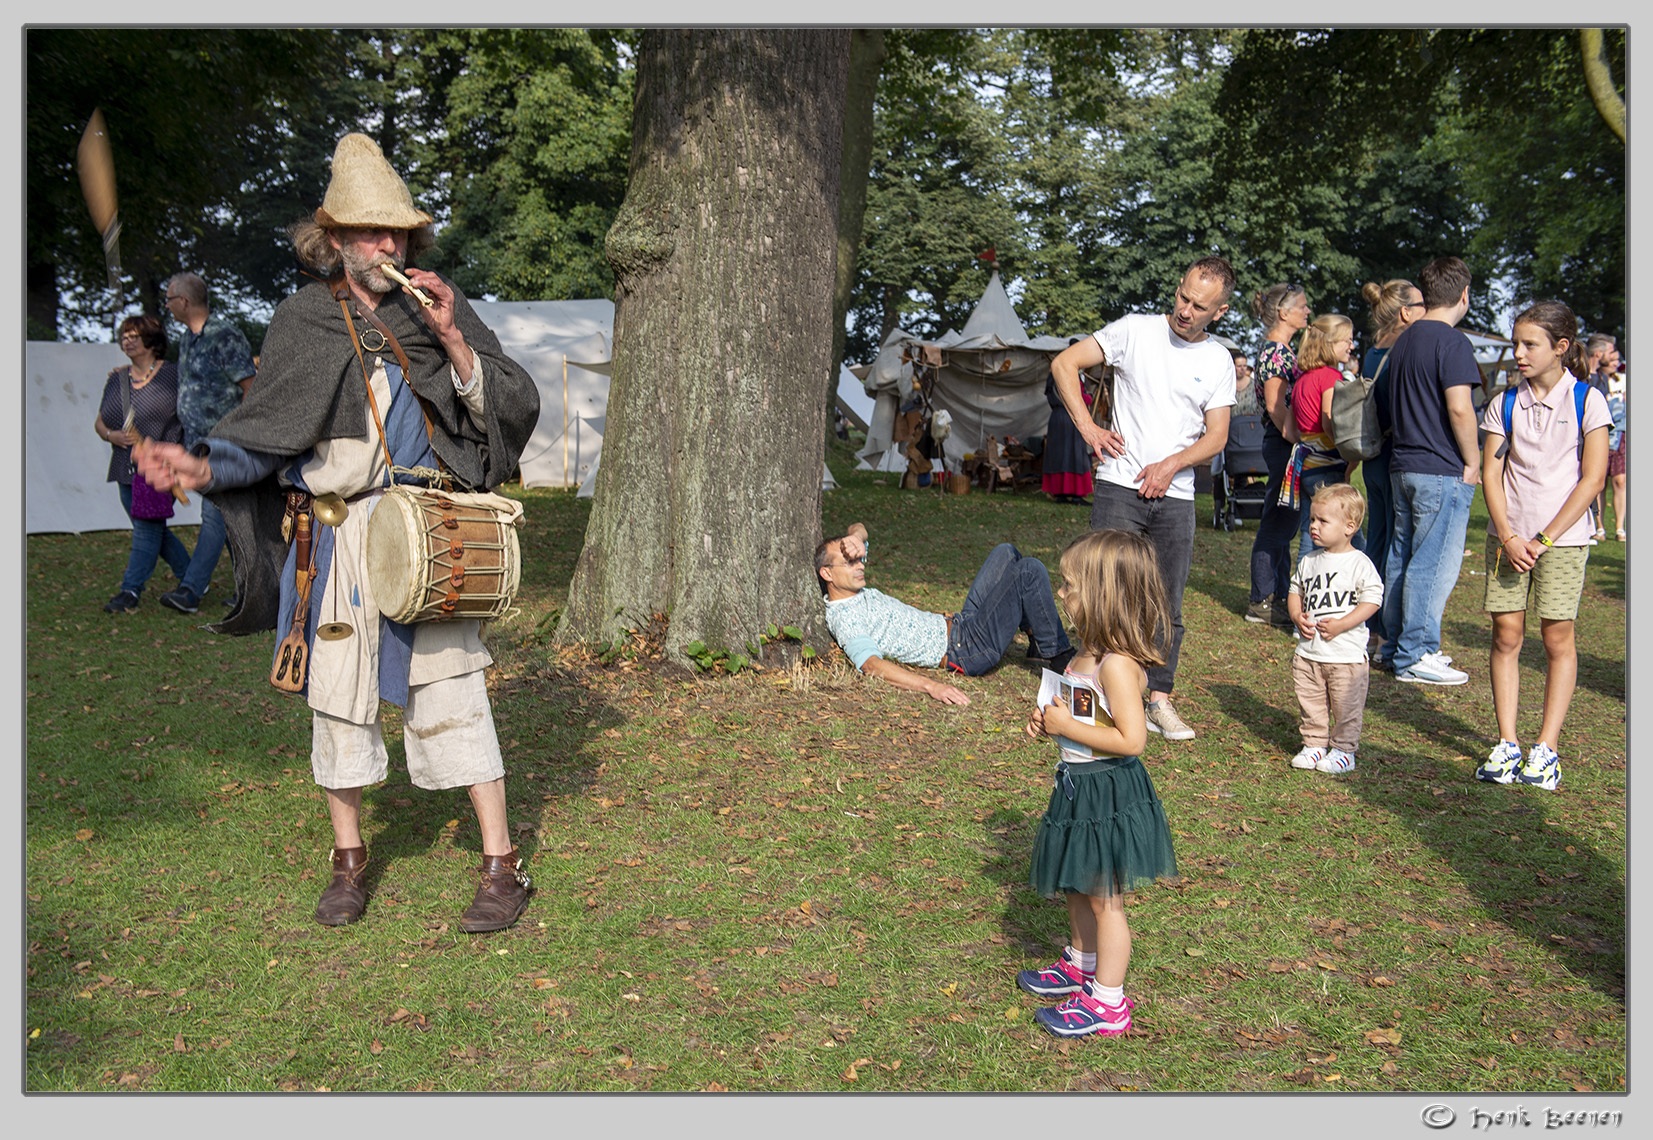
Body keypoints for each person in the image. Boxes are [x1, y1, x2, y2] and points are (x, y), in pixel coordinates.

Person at [134, 133, 541, 932]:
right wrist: (200, 468)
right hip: (337, 538)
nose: (385, 245)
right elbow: (266, 430)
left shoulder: (435, 304)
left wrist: (455, 337)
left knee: (453, 689)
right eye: (367, 231)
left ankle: (501, 865)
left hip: (427, 530)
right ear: (335, 239)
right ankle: (349, 860)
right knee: (337, 701)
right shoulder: (301, 318)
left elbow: (509, 406)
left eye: (396, 232)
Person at [1049, 256, 1238, 741]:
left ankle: (1158, 699)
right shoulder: (1134, 330)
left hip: (1175, 496)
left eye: (1199, 306)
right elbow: (1064, 364)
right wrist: (1089, 428)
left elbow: (1217, 436)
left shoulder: (1217, 359)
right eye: (1183, 297)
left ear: (1218, 312)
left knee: (1165, 601)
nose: (1185, 311)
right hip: (1118, 486)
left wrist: (1172, 464)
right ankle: (1095, 690)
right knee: (1103, 589)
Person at [1017, 529, 1178, 1038]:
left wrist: (1068, 727)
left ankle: (1109, 1002)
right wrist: (1049, 722)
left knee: (1106, 898)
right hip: (1076, 788)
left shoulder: (1119, 665)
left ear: (1104, 592)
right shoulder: (1081, 656)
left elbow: (1132, 740)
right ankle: (1082, 963)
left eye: (1070, 584)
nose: (1062, 593)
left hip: (1109, 794)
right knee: (1076, 881)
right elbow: (1085, 719)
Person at [1474, 301, 1610, 790]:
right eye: (1516, 343)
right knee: (1506, 636)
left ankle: (1546, 748)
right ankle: (1507, 742)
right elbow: (1491, 472)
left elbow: (1593, 480)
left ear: (1561, 347)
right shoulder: (1505, 402)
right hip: (1507, 540)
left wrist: (1543, 539)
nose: (1519, 353)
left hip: (1563, 543)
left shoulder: (1587, 401)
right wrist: (1509, 535)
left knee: (1557, 639)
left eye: (1529, 344)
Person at [817, 522, 1073, 706]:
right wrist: (932, 686)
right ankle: (1059, 656)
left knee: (1006, 553)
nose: (860, 565)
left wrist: (855, 537)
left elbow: (860, 527)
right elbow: (871, 665)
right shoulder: (844, 617)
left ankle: (1036, 641)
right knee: (1028, 570)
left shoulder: (851, 587)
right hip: (967, 650)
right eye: (850, 562)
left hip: (962, 624)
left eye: (859, 558)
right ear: (827, 574)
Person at [1380, 256, 1482, 686]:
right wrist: (1473, 459)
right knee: (1433, 562)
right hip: (1440, 467)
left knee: (1400, 559)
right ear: (1464, 295)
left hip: (1402, 464)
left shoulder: (1402, 340)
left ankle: (1393, 646)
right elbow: (1459, 406)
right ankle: (1417, 652)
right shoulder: (1453, 342)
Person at [159, 272, 256, 614]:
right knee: (229, 524)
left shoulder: (224, 337)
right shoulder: (187, 340)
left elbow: (250, 388)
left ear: (183, 302)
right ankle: (254, 587)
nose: (167, 306)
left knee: (214, 516)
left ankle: (191, 589)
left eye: (169, 299)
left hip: (222, 447)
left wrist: (240, 439)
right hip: (194, 446)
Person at [95, 314, 191, 613]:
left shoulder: (173, 375)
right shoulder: (117, 378)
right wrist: (111, 435)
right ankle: (192, 577)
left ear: (151, 340)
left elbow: (189, 416)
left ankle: (130, 591)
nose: (127, 340)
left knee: (147, 529)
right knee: (152, 528)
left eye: (134, 335)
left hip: (158, 466)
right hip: (124, 465)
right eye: (124, 335)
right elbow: (99, 422)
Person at [1286, 484, 1383, 775]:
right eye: (1312, 519)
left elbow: (1373, 600)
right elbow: (1295, 590)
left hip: (1346, 657)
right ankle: (1315, 743)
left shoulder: (1359, 563)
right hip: (1309, 653)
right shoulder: (1309, 561)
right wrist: (1295, 615)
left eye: (1322, 521)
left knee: (1346, 707)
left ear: (1349, 527)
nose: (1313, 526)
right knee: (1311, 700)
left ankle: (1343, 750)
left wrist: (1343, 624)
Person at [1357, 279, 1427, 664]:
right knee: (1399, 547)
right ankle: (1387, 632)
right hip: (1394, 454)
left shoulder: (1373, 351)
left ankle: (1371, 630)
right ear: (1405, 311)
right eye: (1422, 304)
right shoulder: (1405, 350)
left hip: (1372, 457)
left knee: (1380, 543)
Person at [1245, 284, 1312, 627]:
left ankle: (1277, 594)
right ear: (1283, 313)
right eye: (1302, 306)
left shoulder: (1283, 350)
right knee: (1277, 520)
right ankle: (1262, 600)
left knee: (1284, 519)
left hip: (1284, 441)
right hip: (1282, 442)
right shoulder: (1276, 354)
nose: (1307, 311)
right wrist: (1298, 438)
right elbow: (1274, 406)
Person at [1284, 314, 1365, 557]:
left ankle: (1302, 590)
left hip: (1307, 467)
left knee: (1312, 533)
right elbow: (1329, 420)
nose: (1351, 346)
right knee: (1351, 534)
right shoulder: (1331, 377)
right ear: (1330, 343)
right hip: (1329, 466)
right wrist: (1348, 455)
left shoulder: (1302, 380)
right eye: (1347, 341)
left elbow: (1290, 430)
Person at [1040, 369, 1094, 505]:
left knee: (1060, 455)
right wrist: (1089, 398)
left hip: (1057, 417)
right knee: (1075, 455)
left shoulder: (1053, 374)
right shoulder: (1071, 374)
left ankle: (1061, 494)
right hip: (1071, 418)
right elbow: (1080, 398)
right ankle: (1076, 495)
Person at [1583, 334, 1618, 541]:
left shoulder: (1603, 378)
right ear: (1598, 353)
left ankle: (1595, 525)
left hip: (1600, 437)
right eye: (1610, 351)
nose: (1614, 356)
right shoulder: (1581, 377)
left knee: (1597, 480)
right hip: (1582, 437)